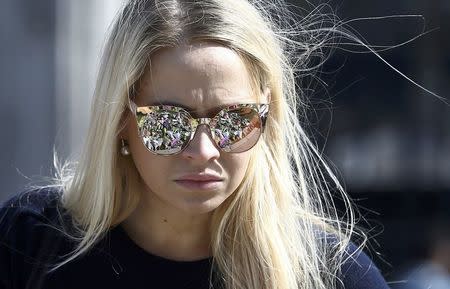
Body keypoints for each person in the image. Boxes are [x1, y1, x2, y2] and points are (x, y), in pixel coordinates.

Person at [0, 0, 391, 288]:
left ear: (267, 118)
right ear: (121, 119)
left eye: (234, 120)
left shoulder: (331, 274)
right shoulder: (28, 244)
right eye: (168, 122)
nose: (203, 152)